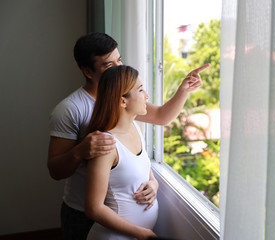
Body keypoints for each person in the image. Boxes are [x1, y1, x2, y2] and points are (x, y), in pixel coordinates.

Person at [47, 32, 210, 240]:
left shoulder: (129, 115)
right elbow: (55, 170)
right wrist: (80, 151)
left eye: (119, 60)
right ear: (87, 71)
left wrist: (184, 90)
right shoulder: (70, 109)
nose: (118, 68)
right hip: (82, 210)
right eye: (108, 65)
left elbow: (160, 116)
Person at [85, 65, 158, 240]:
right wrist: (142, 233)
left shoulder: (137, 128)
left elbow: (143, 171)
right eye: (141, 90)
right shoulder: (107, 145)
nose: (147, 96)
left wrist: (154, 185)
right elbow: (93, 208)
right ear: (123, 101)